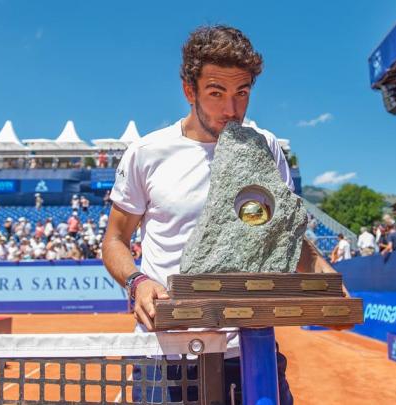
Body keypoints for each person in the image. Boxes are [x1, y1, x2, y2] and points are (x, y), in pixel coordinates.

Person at [102, 25, 299, 404]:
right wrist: (137, 282)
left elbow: (286, 232)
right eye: (216, 93)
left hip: (250, 352)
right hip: (165, 357)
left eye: (242, 93)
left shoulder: (266, 147)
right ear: (189, 91)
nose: (231, 109)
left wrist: (321, 270)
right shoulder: (146, 152)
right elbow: (114, 240)